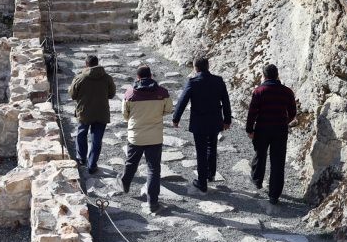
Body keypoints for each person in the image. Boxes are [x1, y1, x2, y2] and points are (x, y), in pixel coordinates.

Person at [172, 57, 232, 193]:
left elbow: (182, 101)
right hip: (215, 120)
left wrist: (176, 118)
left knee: (201, 151)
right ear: (208, 66)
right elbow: (226, 102)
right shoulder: (218, 81)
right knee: (212, 146)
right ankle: (210, 174)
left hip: (199, 122)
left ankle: (202, 181)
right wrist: (227, 120)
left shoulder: (193, 82)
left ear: (196, 68)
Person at [119, 65, 173, 213]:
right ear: (151, 76)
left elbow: (125, 114)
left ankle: (125, 183)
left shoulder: (130, 93)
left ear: (137, 77)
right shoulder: (162, 92)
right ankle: (153, 203)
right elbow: (168, 109)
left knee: (131, 162)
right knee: (154, 169)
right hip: (155, 136)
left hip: (135, 136)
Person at [246, 64, 297, 205]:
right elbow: (292, 113)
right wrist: (285, 122)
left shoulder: (259, 91)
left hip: (262, 128)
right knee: (278, 162)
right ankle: (274, 195)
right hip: (280, 130)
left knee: (260, 153)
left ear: (264, 76)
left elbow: (252, 113)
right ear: (277, 75)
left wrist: (249, 129)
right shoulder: (287, 92)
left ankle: (257, 180)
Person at [69, 54, 116, 174]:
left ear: (86, 64)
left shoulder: (80, 78)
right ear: (98, 63)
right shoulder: (107, 78)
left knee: (81, 135)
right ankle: (92, 165)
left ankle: (81, 159)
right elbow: (111, 94)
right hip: (102, 112)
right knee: (97, 140)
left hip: (84, 112)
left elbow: (72, 95)